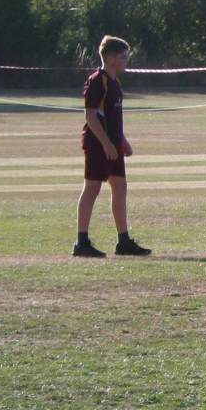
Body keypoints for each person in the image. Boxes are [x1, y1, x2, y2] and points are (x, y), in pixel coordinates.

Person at [73, 35, 151, 258]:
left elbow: (112, 116)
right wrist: (106, 143)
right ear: (109, 57)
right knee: (92, 188)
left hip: (113, 145)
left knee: (120, 186)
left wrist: (122, 141)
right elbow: (91, 116)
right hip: (98, 143)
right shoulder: (98, 81)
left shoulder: (115, 82)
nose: (126, 60)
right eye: (122, 56)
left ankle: (123, 241)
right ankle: (81, 242)